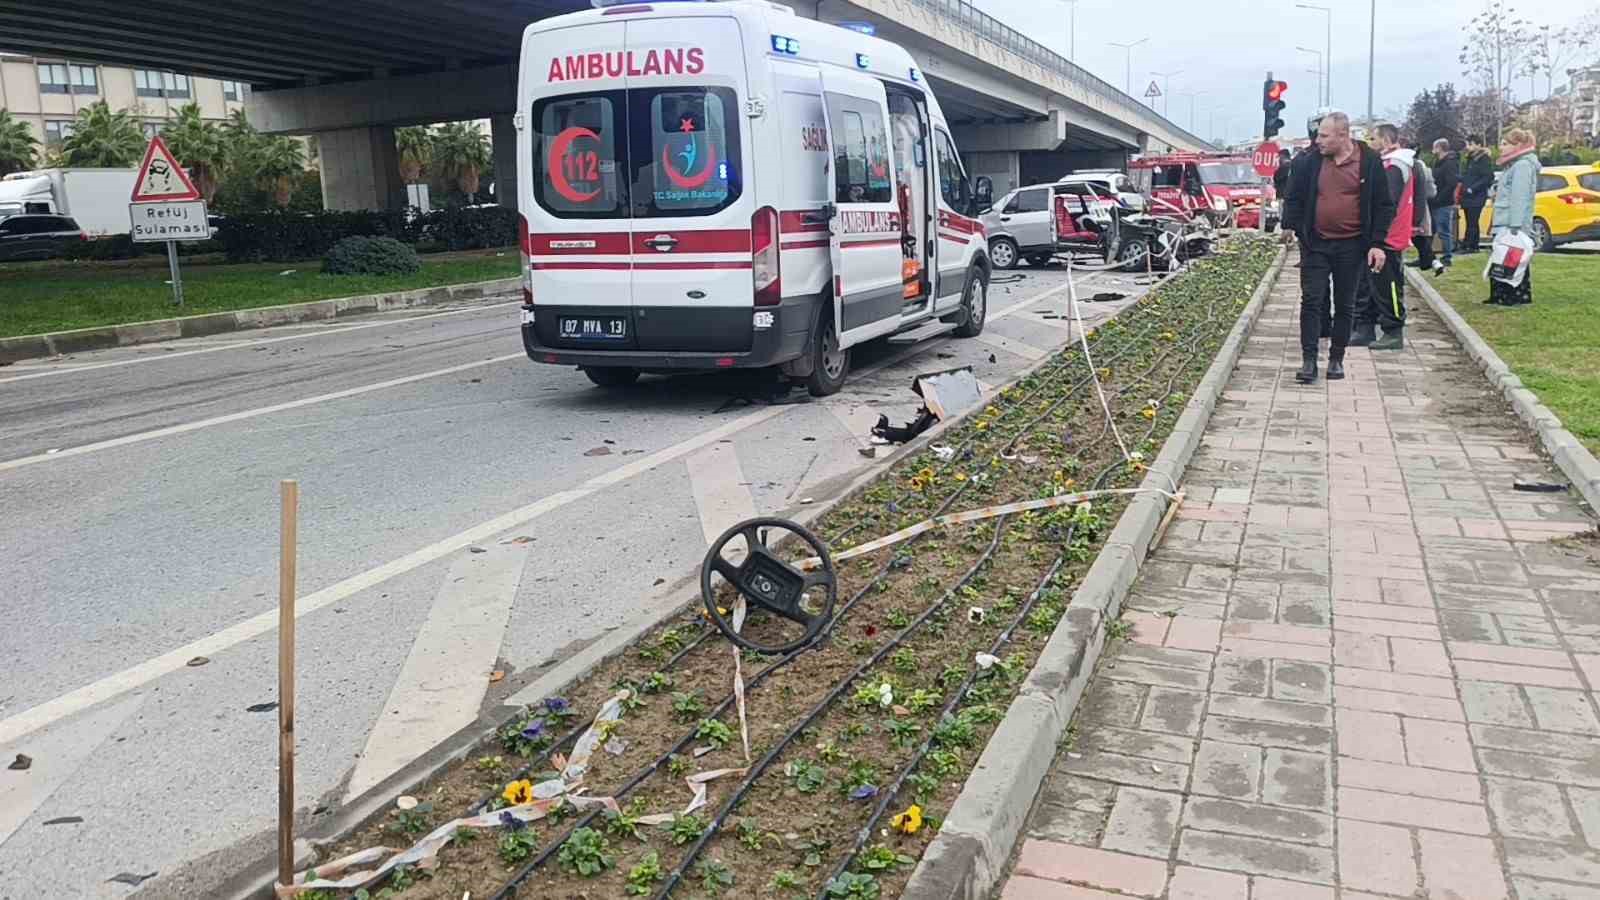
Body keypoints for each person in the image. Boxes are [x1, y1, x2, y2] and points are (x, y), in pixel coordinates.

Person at [1281, 110, 1396, 383]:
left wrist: (1377, 243)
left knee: (1345, 304)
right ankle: (1309, 361)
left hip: (1352, 246)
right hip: (1316, 243)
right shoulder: (1309, 161)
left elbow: (1383, 204)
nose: (1317, 140)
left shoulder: (1368, 161)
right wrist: (1295, 229)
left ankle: (1336, 359)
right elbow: (1294, 197)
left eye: (1324, 135)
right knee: (1312, 300)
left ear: (1343, 135)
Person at [1351, 123, 1415, 351]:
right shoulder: (1386, 164)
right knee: (1368, 285)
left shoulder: (1395, 166)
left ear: (1386, 141)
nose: (1369, 143)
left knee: (1387, 285)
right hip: (1379, 235)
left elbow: (1387, 202)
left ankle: (1393, 330)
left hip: (1388, 236)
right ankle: (1364, 327)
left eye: (1373, 139)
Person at [1486, 127, 1541, 306]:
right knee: (1501, 256)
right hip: (1505, 218)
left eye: (1505, 144)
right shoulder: (1514, 165)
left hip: (1511, 221)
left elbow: (1520, 196)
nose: (1500, 147)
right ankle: (1500, 295)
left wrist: (1515, 225)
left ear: (1517, 145)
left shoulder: (1523, 166)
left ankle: (1513, 296)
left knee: (1513, 258)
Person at [1404, 139, 1441, 274]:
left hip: (1416, 204)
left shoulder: (1416, 166)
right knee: (1420, 237)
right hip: (1420, 204)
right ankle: (1431, 261)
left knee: (1418, 235)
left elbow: (1429, 190)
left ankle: (1430, 261)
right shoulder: (1422, 166)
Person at [1460, 134, 1494, 253]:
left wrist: (1473, 188)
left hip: (1476, 195)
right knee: (1470, 220)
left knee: (1473, 220)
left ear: (1479, 145)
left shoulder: (1483, 159)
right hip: (1468, 195)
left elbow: (1487, 177)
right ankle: (1472, 245)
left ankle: (1469, 245)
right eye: (1467, 144)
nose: (1468, 147)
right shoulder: (1470, 159)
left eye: (1470, 144)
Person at [1431, 138, 1461, 267]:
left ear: (1440, 148)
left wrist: (1439, 198)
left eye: (1434, 147)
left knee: (1444, 230)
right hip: (1436, 200)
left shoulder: (1449, 163)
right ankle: (1429, 255)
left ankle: (1447, 256)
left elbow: (1451, 183)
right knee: (1432, 229)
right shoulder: (1439, 162)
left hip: (1443, 202)